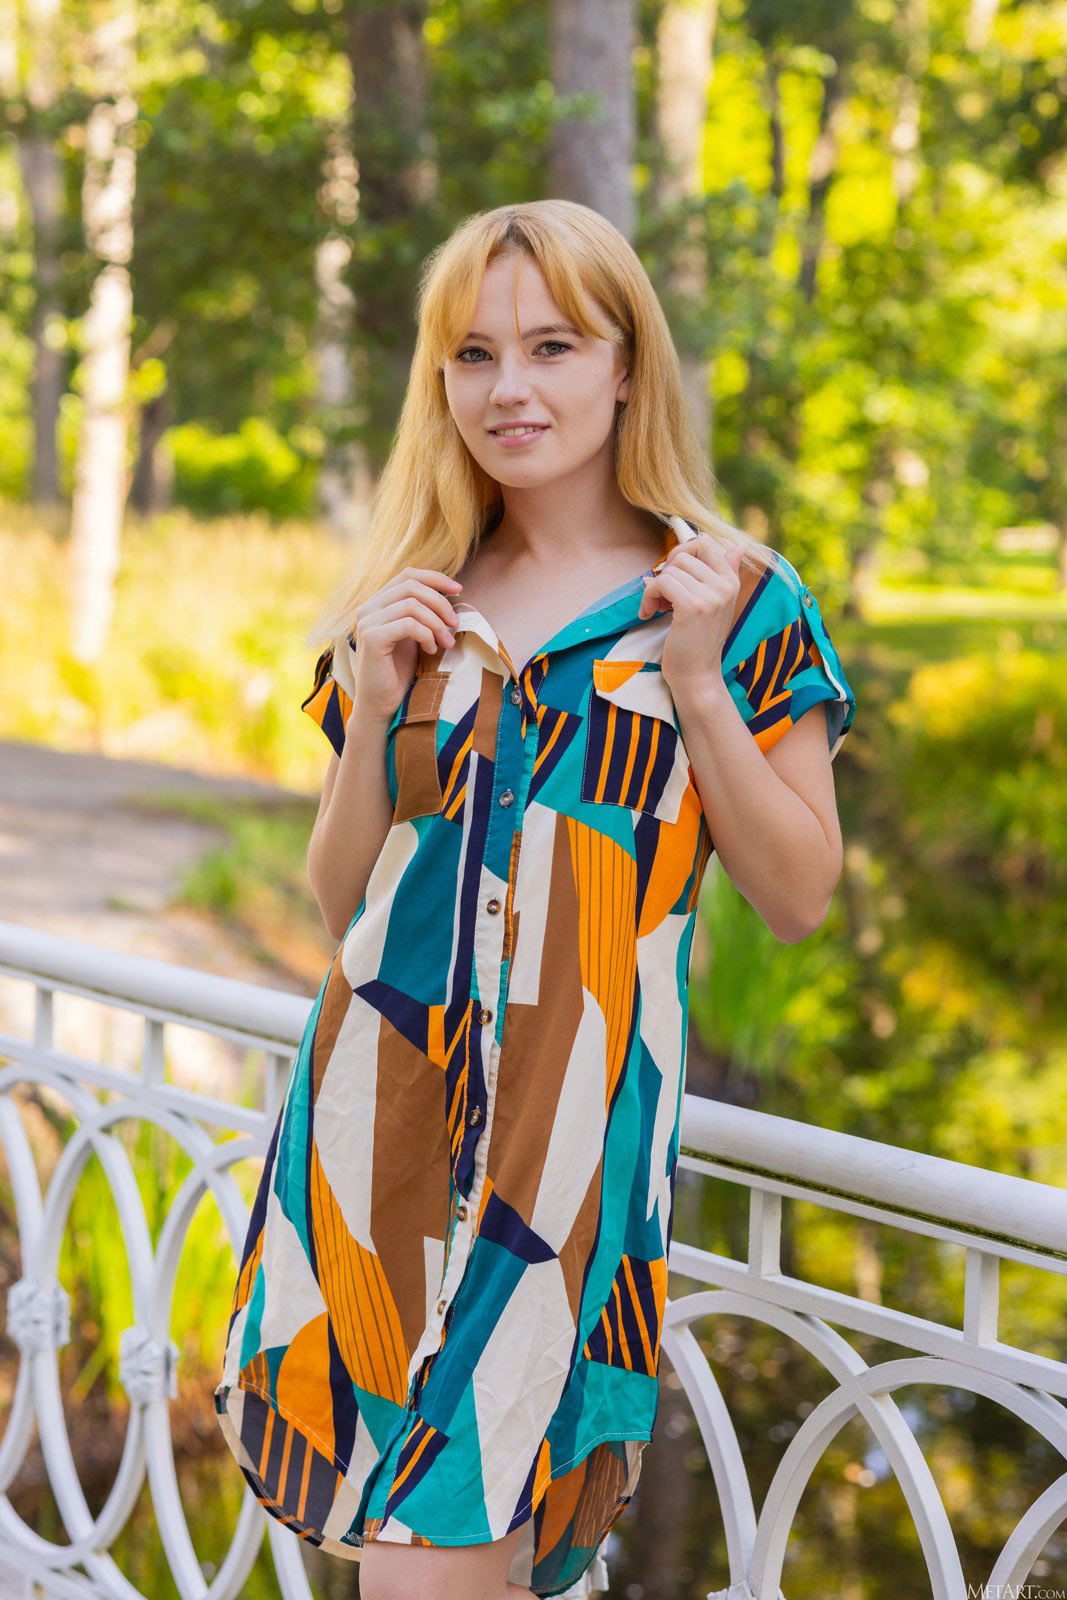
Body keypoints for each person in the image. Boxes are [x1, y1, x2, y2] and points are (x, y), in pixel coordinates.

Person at [214, 198, 856, 1600]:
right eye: (475, 354)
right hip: (372, 1135)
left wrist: (697, 685)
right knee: (435, 1556)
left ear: (627, 366)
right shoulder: (415, 596)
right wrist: (377, 699)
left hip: (564, 1167)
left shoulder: (734, 598)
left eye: (553, 346)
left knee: (435, 1556)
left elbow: (800, 895)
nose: (511, 387)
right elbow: (343, 899)